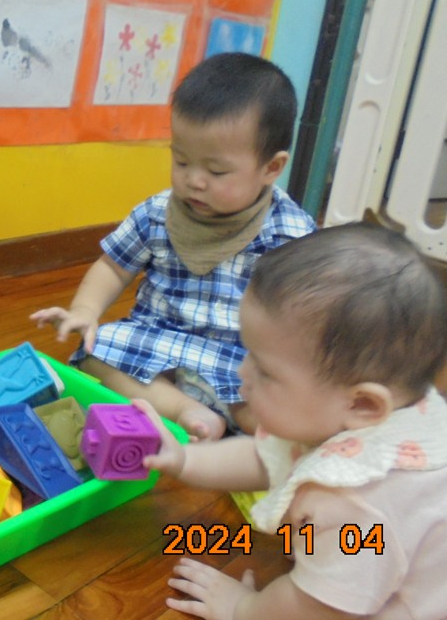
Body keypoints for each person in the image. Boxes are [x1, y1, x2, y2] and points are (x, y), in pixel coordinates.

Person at [137, 222, 447, 619]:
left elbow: (312, 608)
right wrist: (184, 459)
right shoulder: (373, 412)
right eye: (248, 354)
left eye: (266, 371)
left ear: (363, 404)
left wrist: (242, 608)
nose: (242, 373)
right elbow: (266, 457)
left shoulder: (355, 502)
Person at [32, 53, 315, 441]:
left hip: (236, 362)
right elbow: (113, 266)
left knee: (282, 412)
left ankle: (218, 420)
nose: (194, 180)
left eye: (216, 171)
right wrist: (85, 311)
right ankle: (186, 411)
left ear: (271, 167)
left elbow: (307, 318)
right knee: (95, 353)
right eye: (181, 162)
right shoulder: (158, 212)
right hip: (157, 339)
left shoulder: (290, 234)